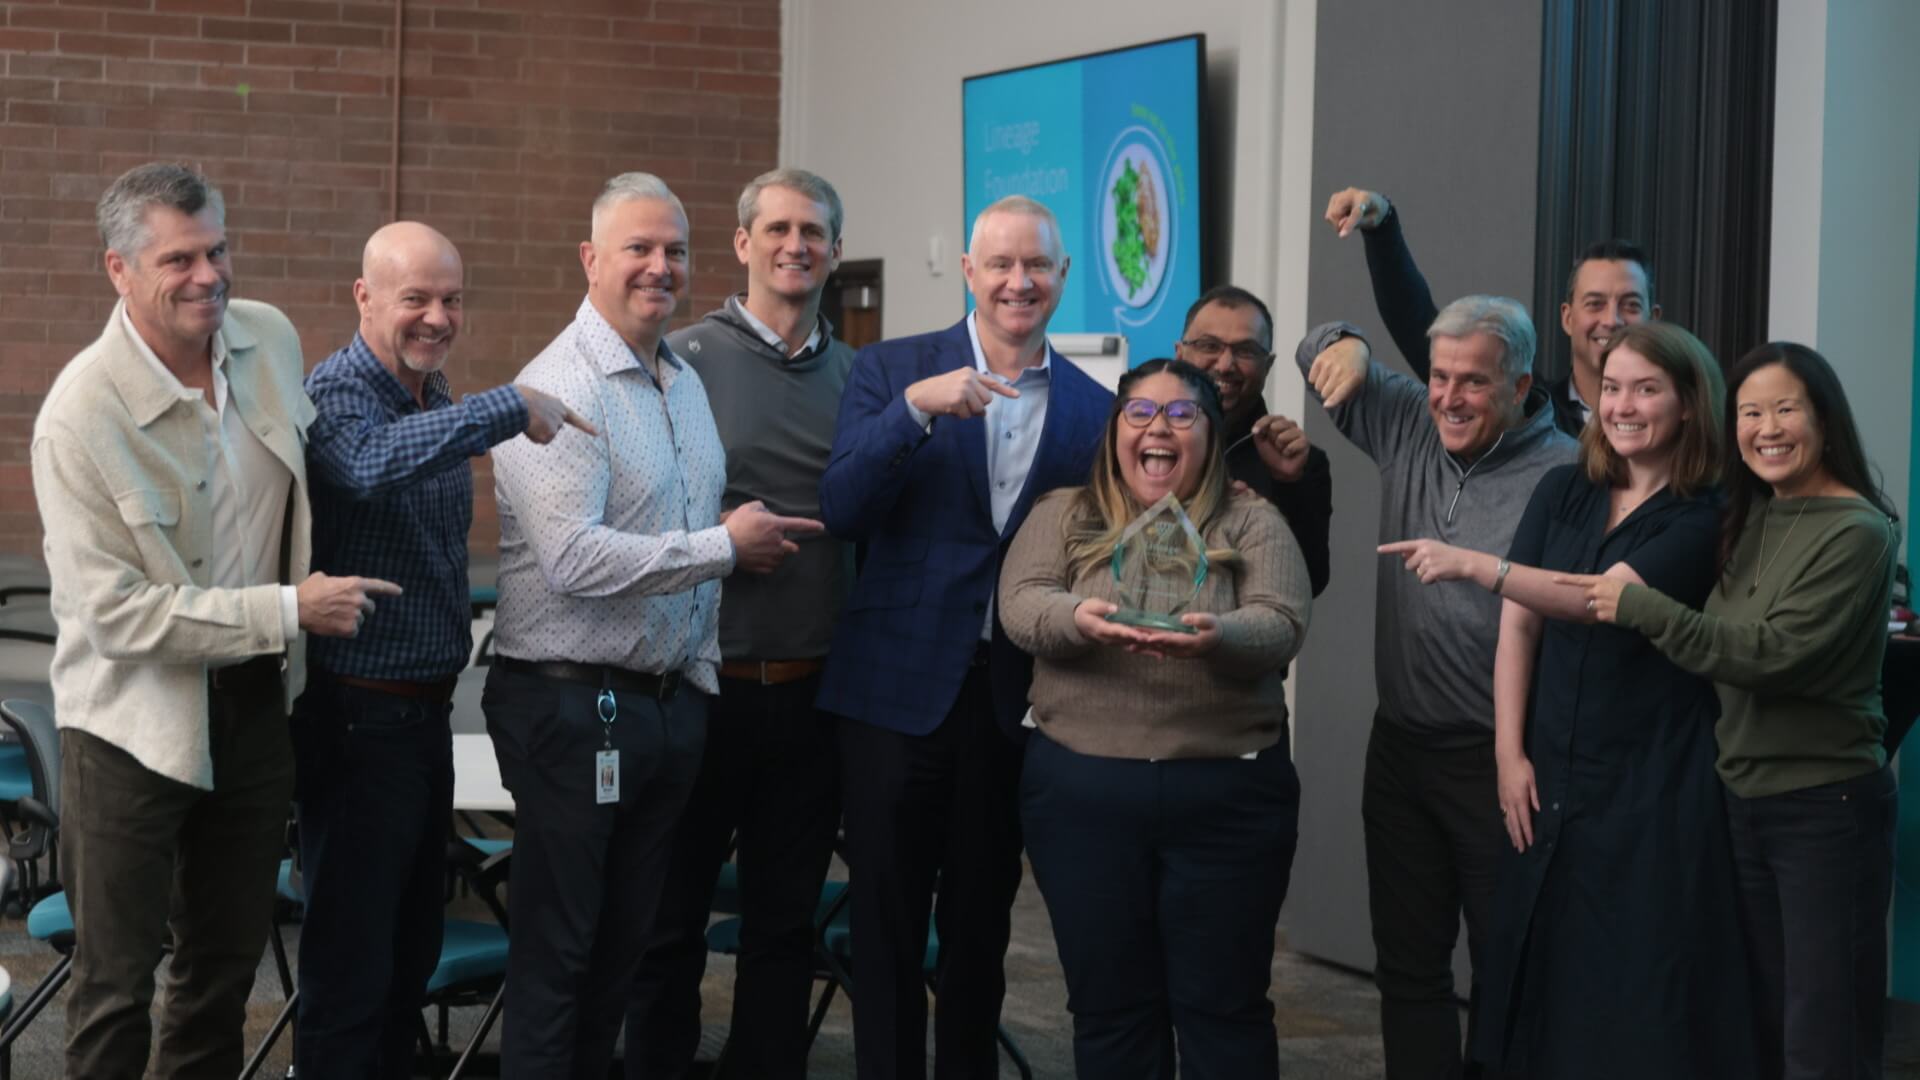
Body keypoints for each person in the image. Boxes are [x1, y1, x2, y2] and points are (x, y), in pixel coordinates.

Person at [30, 161, 394, 1077]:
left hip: (254, 705)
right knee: (113, 985)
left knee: (223, 971)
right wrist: (288, 608)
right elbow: (113, 616)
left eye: (218, 249)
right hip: (127, 724)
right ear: (118, 269)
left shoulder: (266, 336)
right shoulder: (78, 415)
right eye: (179, 259)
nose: (209, 277)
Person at [482, 171, 821, 1078]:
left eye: (674, 251)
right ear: (591, 259)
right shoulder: (555, 385)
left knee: (622, 957)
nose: (659, 267)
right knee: (560, 956)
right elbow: (574, 562)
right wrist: (721, 547)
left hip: (668, 710)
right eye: (638, 248)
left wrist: (700, 671)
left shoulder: (681, 382)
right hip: (571, 706)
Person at [1377, 322, 1753, 1077]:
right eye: (1612, 387)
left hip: (1653, 777)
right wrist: (1508, 751)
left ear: (1689, 403)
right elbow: (1522, 623)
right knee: (1534, 962)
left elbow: (1599, 600)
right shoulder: (1567, 487)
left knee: (1631, 976)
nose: (1623, 405)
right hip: (1552, 768)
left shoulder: (1705, 510)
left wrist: (1478, 566)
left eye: (1647, 389)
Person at [818, 194, 1112, 1078]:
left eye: (1038, 266)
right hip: (893, 697)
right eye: (1002, 264)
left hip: (1014, 701)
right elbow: (841, 510)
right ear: (970, 273)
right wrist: (914, 412)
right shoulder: (890, 371)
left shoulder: (1097, 410)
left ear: (1062, 277)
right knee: (887, 927)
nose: (1020, 281)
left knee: (982, 933)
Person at [293, 220, 590, 1077]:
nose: (436, 317)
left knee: (408, 958)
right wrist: (505, 408)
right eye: (414, 298)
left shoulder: (432, 397)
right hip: (356, 720)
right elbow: (367, 466)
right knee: (351, 973)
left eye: (451, 300)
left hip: (419, 723)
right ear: (365, 297)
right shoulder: (341, 392)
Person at [1567, 342, 1901, 1080]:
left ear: (1824, 418)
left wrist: (1642, 607)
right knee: (1769, 1019)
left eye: (1786, 408)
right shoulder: (1753, 516)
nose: (1767, 428)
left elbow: (1769, 655)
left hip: (1824, 805)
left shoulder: (1857, 531)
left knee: (1825, 1033)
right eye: (1751, 411)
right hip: (1745, 798)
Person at [999, 358, 1311, 1078]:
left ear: (1210, 433)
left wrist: (1219, 636)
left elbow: (1283, 621)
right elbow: (1021, 604)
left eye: (1181, 415)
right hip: (1083, 799)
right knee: (1110, 1008)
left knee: (1224, 1009)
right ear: (1115, 430)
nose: (1158, 429)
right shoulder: (1063, 513)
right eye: (1140, 413)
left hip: (1226, 801)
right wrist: (1078, 617)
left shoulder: (1251, 520)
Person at [1296, 296, 1576, 1079]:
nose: (1449, 398)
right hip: (1402, 749)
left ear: (1520, 387)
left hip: (1503, 761)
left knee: (1505, 964)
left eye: (1473, 383)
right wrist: (1344, 343)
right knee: (1409, 965)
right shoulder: (1409, 421)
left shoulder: (1566, 471)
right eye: (1438, 377)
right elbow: (1309, 349)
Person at [626, 168, 856, 1079]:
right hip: (696, 691)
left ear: (835, 251)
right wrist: (721, 542)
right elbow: (634, 515)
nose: (796, 245)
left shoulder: (860, 377)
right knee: (666, 927)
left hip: (809, 699)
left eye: (815, 231)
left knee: (783, 932)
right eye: (779, 229)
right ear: (743, 244)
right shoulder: (676, 360)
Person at [1325, 186, 1658, 436]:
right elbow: (1416, 323)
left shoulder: (1679, 419)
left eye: (1630, 305)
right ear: (1568, 318)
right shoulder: (1537, 409)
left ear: (1653, 320)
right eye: (1595, 304)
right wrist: (1382, 227)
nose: (1612, 320)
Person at [1174, 284, 1333, 596]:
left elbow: (1309, 582)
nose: (1224, 364)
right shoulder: (1140, 443)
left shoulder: (1300, 463)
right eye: (1209, 346)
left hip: (1241, 638)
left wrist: (1288, 484)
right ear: (1180, 353)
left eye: (1245, 351)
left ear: (1268, 365)